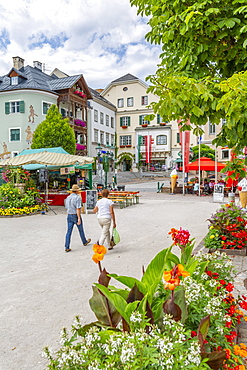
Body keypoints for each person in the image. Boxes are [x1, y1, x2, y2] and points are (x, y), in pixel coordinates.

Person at [64, 184, 91, 252]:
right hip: (75, 215)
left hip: (69, 215)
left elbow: (66, 207)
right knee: (80, 229)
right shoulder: (77, 198)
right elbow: (78, 208)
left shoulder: (68, 197)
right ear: (77, 191)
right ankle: (84, 241)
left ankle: (67, 246)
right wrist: (79, 218)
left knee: (69, 231)